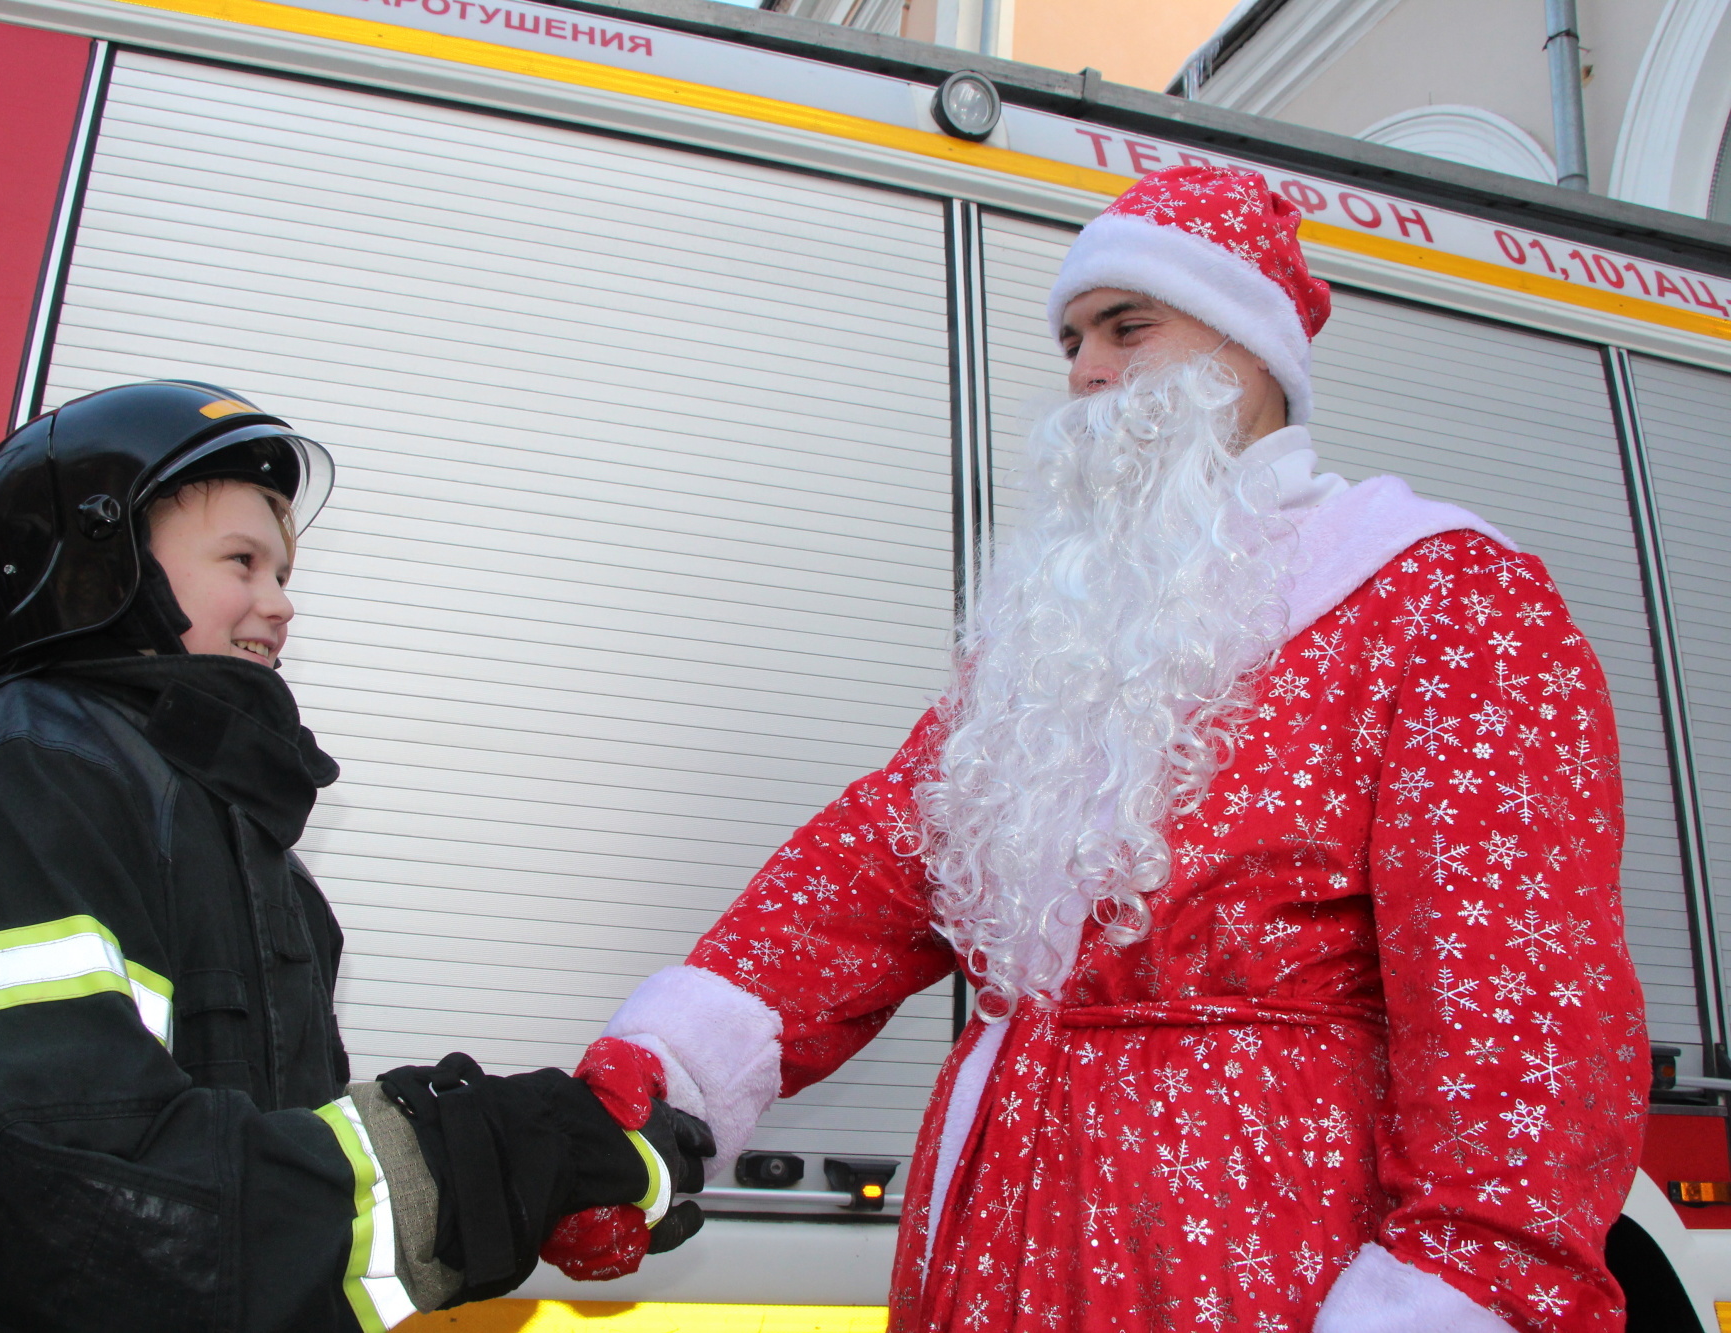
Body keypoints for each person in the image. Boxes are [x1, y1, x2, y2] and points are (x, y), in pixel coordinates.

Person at [544, 168, 1648, 1330]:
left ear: (1250, 356)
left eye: (1127, 327)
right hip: (998, 1250)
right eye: (1071, 338)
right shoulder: (1066, 641)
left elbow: (1520, 1020)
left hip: (1262, 1266)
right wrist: (656, 1083)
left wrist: (1466, 1286)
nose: (1081, 372)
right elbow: (860, 880)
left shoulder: (1438, 598)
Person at [0, 380, 709, 1333]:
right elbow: (59, 1186)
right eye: (243, 561)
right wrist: (489, 1158)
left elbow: (264, 1210)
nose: (279, 604)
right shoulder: (13, 779)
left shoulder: (254, 852)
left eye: (283, 573)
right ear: (99, 567)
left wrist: (545, 1169)